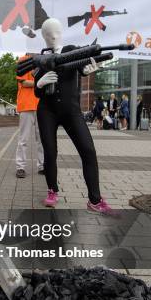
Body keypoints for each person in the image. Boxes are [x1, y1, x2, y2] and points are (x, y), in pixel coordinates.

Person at [34, 18, 114, 214]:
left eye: (55, 32)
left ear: (61, 33)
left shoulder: (71, 50)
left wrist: (88, 69)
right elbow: (37, 92)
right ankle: (52, 190)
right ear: (43, 36)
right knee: (50, 152)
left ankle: (95, 199)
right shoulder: (41, 58)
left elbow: (83, 65)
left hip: (71, 110)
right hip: (47, 111)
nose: (52, 36)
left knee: (88, 150)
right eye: (47, 33)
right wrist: (40, 83)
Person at [15, 54, 44, 178]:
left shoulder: (42, 60)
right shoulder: (23, 60)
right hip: (26, 105)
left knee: (41, 139)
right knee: (23, 139)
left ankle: (42, 166)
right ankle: (20, 167)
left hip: (40, 105)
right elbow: (24, 82)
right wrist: (40, 83)